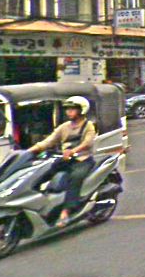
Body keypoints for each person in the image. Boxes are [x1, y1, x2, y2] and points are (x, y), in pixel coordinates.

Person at [29, 96, 98, 227]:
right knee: (44, 172)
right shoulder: (64, 127)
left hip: (83, 160)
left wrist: (73, 151)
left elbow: (88, 143)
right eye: (67, 109)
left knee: (75, 178)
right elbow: (49, 141)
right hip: (65, 160)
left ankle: (66, 212)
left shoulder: (88, 126)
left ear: (81, 110)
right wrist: (30, 151)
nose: (68, 112)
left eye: (72, 109)